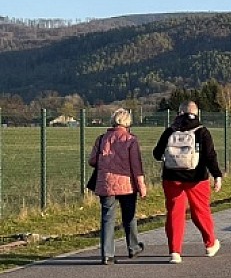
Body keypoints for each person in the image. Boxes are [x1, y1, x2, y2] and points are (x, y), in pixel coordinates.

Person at [153, 101, 223, 264]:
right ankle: (210, 244)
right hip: (197, 178)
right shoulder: (202, 131)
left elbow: (157, 154)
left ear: (179, 112)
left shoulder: (170, 130)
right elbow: (210, 156)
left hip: (171, 178)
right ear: (196, 113)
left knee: (174, 213)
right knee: (201, 211)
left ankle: (175, 252)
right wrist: (217, 175)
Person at [89, 108, 147, 265]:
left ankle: (107, 254)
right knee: (129, 217)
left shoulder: (101, 139)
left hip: (106, 184)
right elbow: (136, 166)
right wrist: (142, 187)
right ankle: (133, 247)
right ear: (127, 123)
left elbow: (92, 160)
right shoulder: (130, 140)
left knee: (107, 218)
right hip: (126, 184)